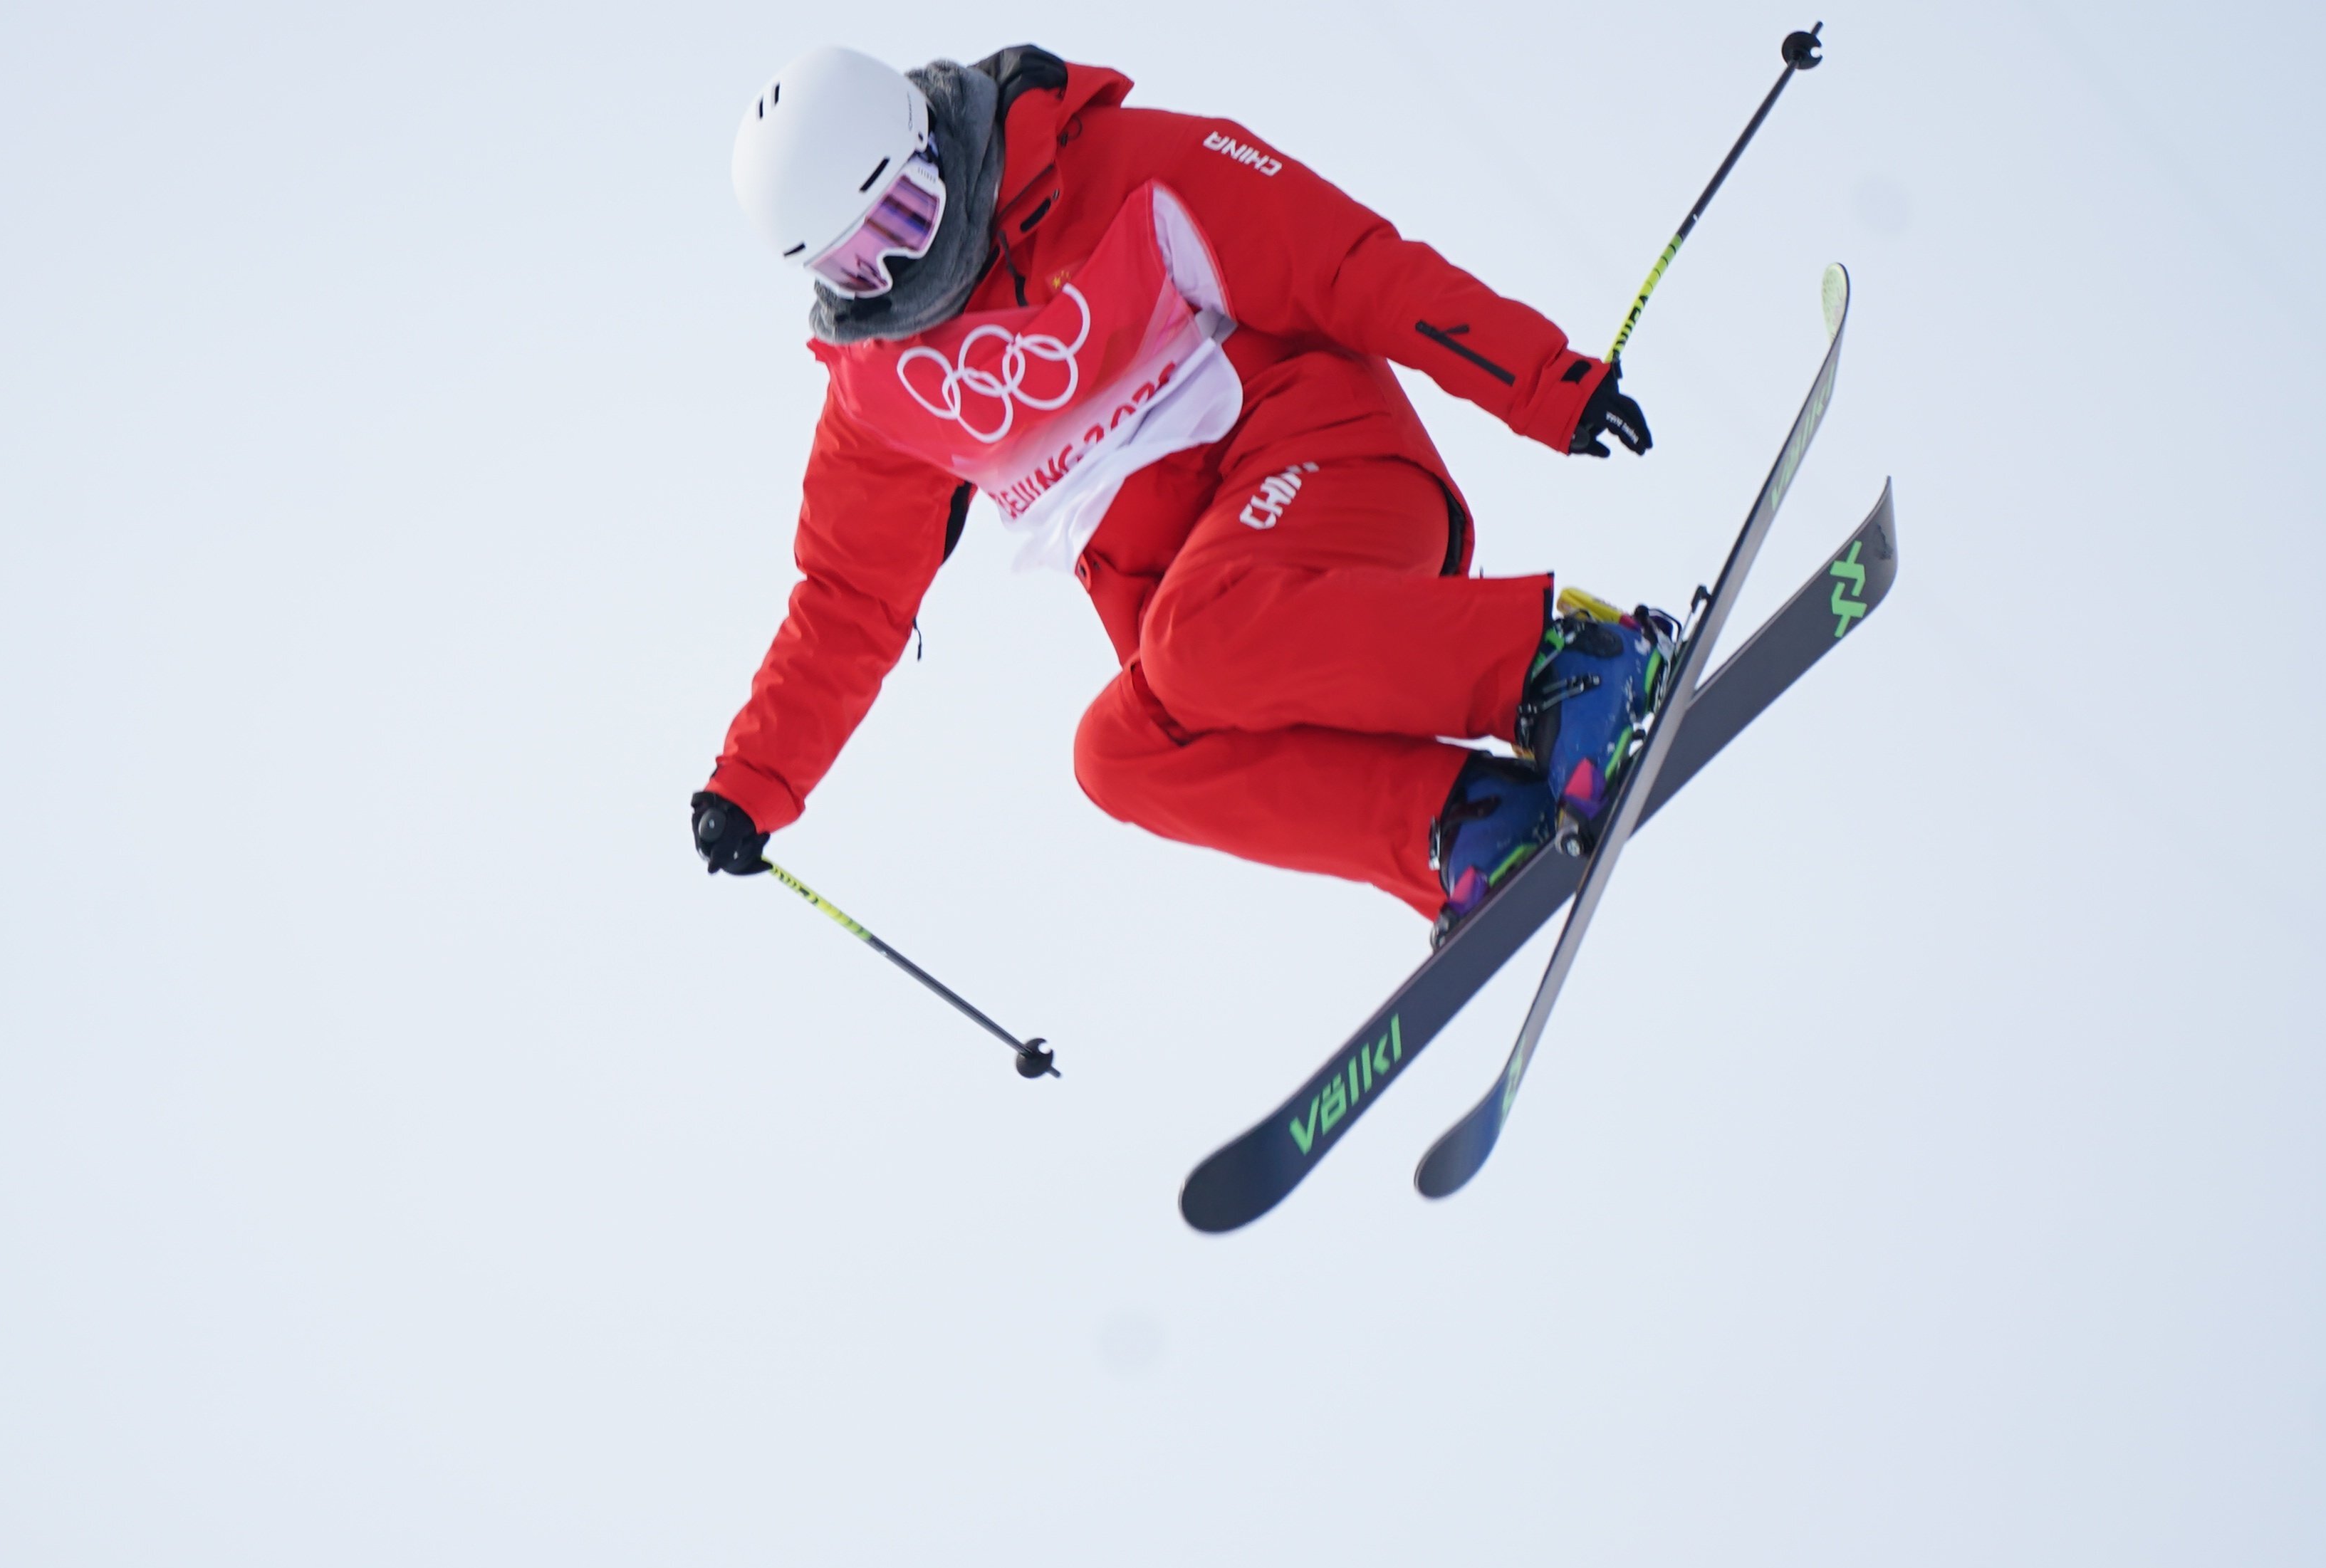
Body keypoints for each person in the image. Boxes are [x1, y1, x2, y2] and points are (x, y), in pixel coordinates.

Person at [692, 45, 1663, 944]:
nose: (900, 275)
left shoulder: (1122, 175)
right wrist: (753, 784)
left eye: (903, 218)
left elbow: (1351, 263)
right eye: (858, 266)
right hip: (1237, 639)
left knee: (1197, 636)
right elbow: (849, 598)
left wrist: (1540, 380)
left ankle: (1565, 664)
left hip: (1335, 475)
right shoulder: (883, 390)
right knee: (1117, 756)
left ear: (933, 146)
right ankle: (1469, 827)